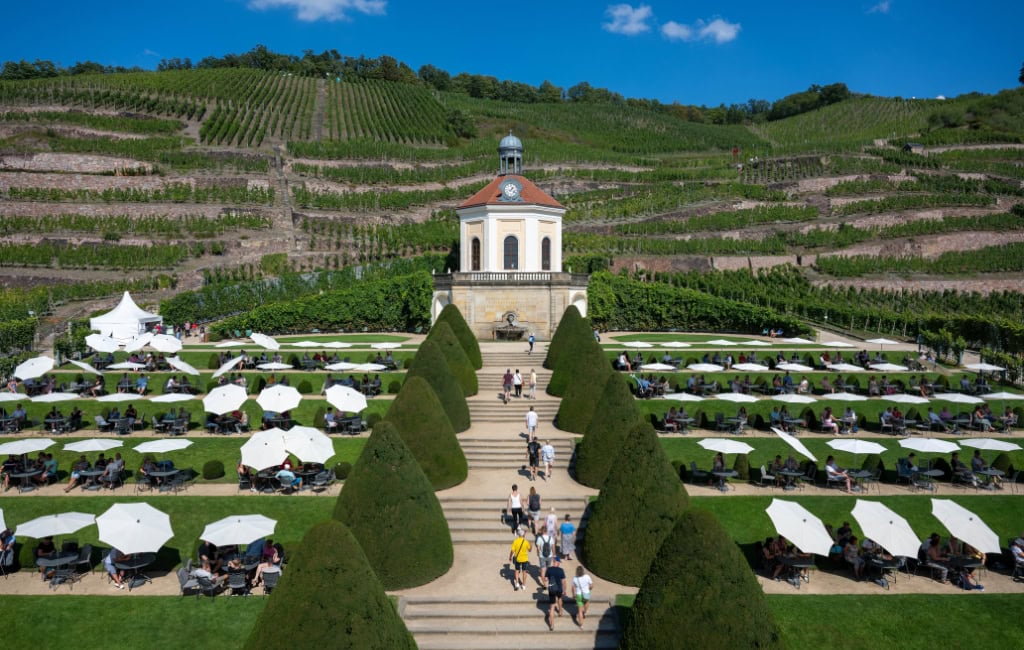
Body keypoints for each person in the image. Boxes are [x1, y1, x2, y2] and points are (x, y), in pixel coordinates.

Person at [545, 556, 567, 631]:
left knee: (552, 607)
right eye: (559, 562)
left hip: (551, 590)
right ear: (557, 562)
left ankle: (552, 625)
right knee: (560, 598)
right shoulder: (561, 570)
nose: (559, 563)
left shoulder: (549, 569)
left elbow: (545, 579)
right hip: (559, 589)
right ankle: (560, 611)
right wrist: (564, 590)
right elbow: (563, 581)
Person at [508, 527, 531, 592]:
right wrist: (531, 545)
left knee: (517, 570)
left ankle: (517, 583)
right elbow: (529, 550)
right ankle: (523, 585)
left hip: (517, 558)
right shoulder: (526, 542)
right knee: (524, 572)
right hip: (524, 559)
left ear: (518, 534)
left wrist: (510, 557)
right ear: (523, 535)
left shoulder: (515, 541)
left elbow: (512, 551)